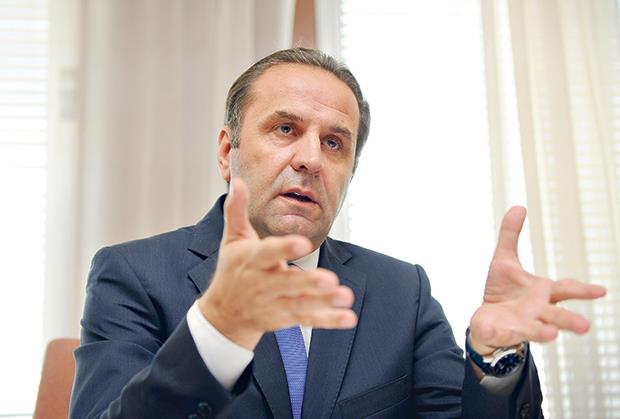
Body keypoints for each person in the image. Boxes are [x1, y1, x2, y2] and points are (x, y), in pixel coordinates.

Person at [69, 48, 606, 419]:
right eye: (285, 129)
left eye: (334, 143)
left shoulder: (402, 291)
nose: (310, 159)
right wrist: (219, 333)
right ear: (228, 151)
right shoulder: (133, 274)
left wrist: (496, 358)